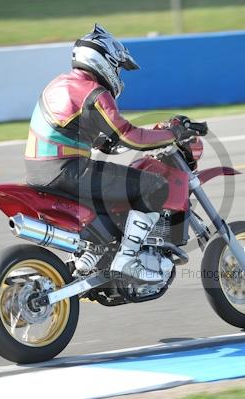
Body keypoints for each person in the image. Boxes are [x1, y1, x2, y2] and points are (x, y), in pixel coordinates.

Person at [25, 24, 190, 283]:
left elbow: (105, 142)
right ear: (104, 60)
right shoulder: (94, 92)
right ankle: (127, 258)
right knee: (155, 185)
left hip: (40, 172)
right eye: (117, 67)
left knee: (118, 189)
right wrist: (174, 133)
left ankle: (96, 253)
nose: (118, 74)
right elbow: (130, 136)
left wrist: (146, 139)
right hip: (68, 171)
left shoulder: (61, 84)